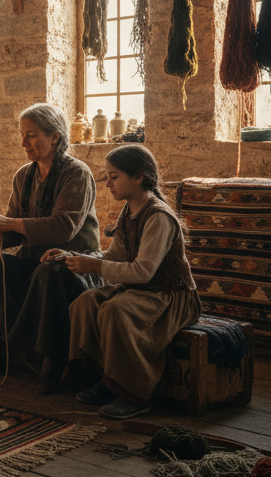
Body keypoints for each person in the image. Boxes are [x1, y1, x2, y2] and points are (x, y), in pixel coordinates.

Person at [0, 103, 101, 390]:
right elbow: (14, 229)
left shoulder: (76, 174)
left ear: (55, 137)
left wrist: (6, 223)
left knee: (50, 272)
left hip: (75, 263)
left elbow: (63, 227)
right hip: (34, 258)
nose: (23, 143)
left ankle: (53, 363)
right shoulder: (24, 175)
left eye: (31, 135)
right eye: (22, 135)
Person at [57, 144, 201, 420]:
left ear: (138, 177)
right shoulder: (129, 211)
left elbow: (143, 271)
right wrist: (73, 256)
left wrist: (96, 266)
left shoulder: (158, 216)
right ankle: (104, 378)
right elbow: (115, 256)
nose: (107, 183)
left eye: (114, 176)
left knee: (115, 310)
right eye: (108, 176)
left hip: (169, 296)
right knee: (86, 301)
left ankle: (134, 393)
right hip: (140, 290)